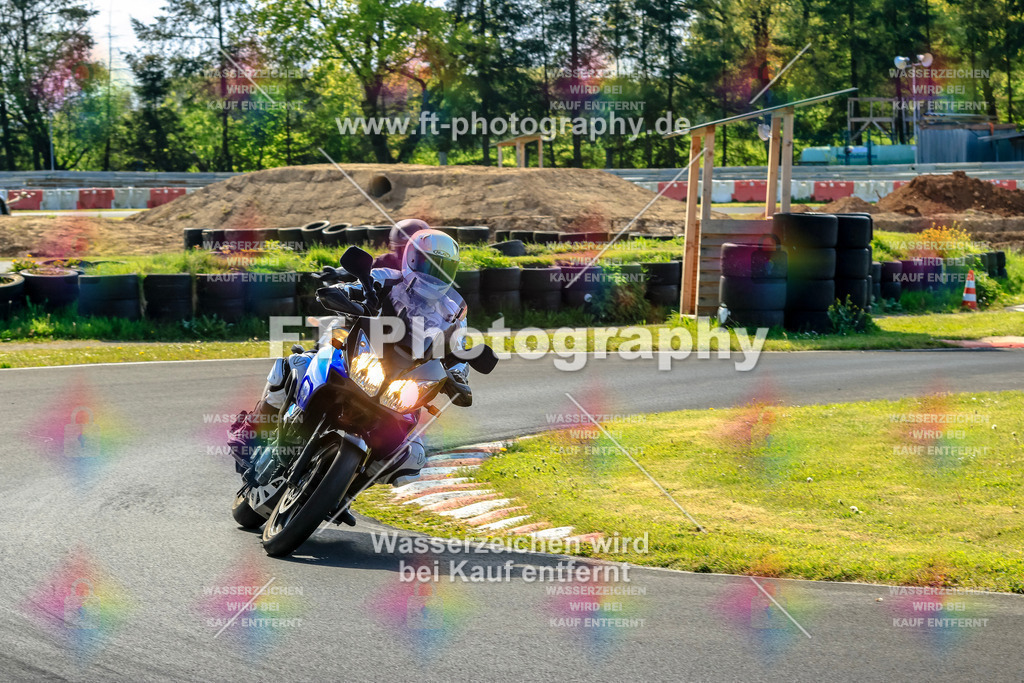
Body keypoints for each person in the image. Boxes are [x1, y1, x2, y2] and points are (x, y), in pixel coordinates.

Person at [227, 222, 468, 493]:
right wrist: (342, 293)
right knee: (294, 365)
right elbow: (356, 285)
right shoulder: (387, 276)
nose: (432, 275)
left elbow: (459, 350)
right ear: (411, 258)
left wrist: (458, 376)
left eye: (441, 269)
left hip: (402, 375)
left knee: (412, 452)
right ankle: (251, 434)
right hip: (365, 350)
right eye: (427, 265)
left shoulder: (453, 312)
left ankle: (346, 491)